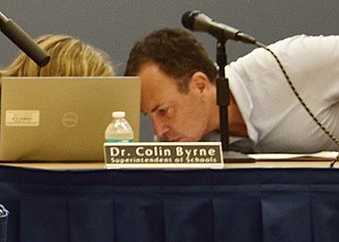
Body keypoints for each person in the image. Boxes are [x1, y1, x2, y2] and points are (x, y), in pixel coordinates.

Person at [125, 27, 339, 154]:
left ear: (199, 85)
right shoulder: (173, 141)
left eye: (163, 111)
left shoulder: (288, 64)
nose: (158, 130)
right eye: (148, 116)